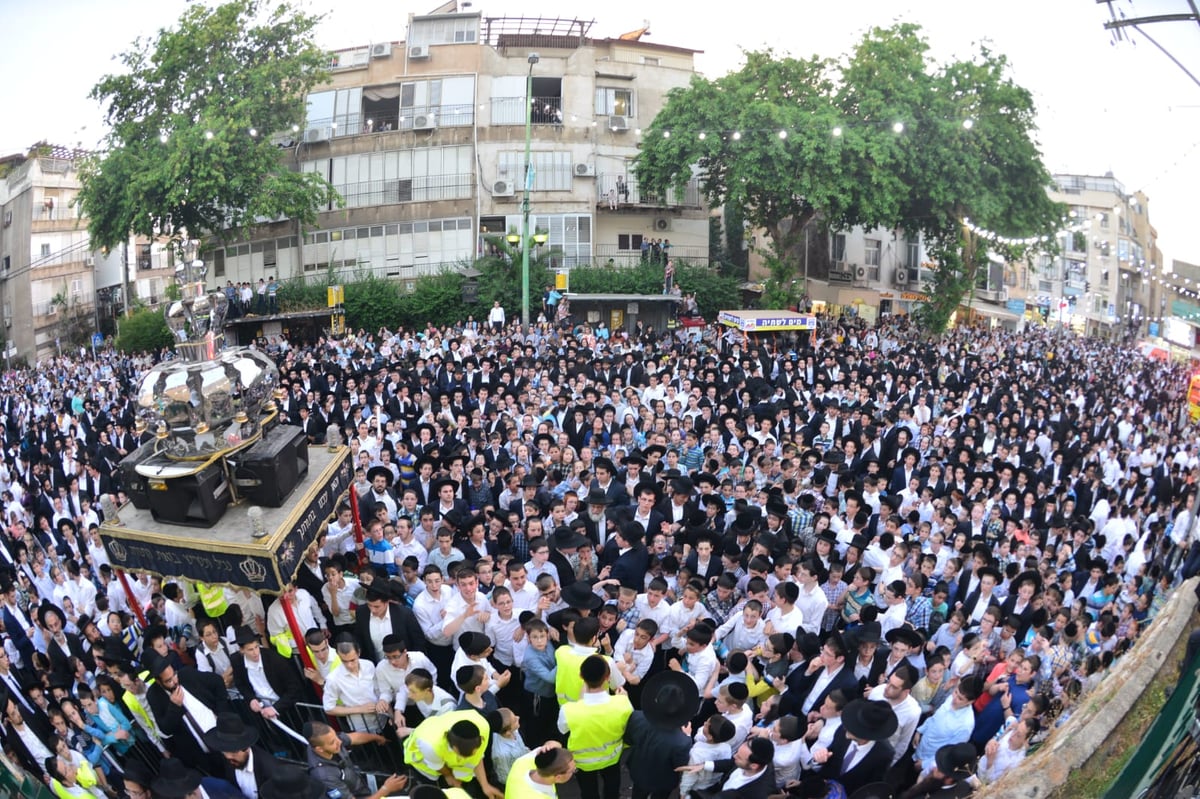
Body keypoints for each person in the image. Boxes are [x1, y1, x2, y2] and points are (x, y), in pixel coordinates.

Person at [558, 655, 633, 799]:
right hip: (612, 757)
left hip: (583, 762)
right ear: (607, 677)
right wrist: (625, 697)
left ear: (581, 675)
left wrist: (580, 700)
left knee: (588, 792)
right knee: (612, 789)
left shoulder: (569, 710)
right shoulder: (623, 703)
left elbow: (563, 729)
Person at [624, 671, 698, 799]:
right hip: (663, 780)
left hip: (638, 770)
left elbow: (629, 739)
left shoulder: (637, 717)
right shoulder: (682, 741)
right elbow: (679, 765)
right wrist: (687, 736)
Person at [403, 709, 503, 799]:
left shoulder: (483, 728)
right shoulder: (430, 745)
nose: (467, 759)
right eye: (462, 756)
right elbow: (438, 765)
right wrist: (449, 776)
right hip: (424, 760)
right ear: (453, 747)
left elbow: (477, 759)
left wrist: (485, 785)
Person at [304, 720, 407, 799]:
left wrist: (377, 737)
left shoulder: (330, 741)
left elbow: (355, 737)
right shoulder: (325, 776)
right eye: (332, 742)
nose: (339, 742)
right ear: (319, 749)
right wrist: (386, 789)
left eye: (336, 736)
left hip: (361, 786)